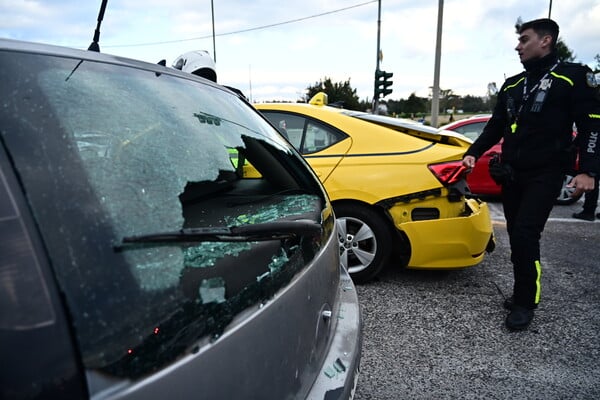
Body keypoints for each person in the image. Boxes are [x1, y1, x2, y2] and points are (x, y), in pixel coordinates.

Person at [462, 18, 600, 331]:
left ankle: (525, 301)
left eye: (524, 40)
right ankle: (521, 291)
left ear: (546, 40)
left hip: (546, 173)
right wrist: (472, 153)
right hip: (511, 173)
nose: (518, 46)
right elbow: (495, 125)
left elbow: (593, 126)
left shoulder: (573, 77)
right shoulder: (513, 84)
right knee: (516, 233)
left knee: (526, 233)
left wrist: (589, 171)